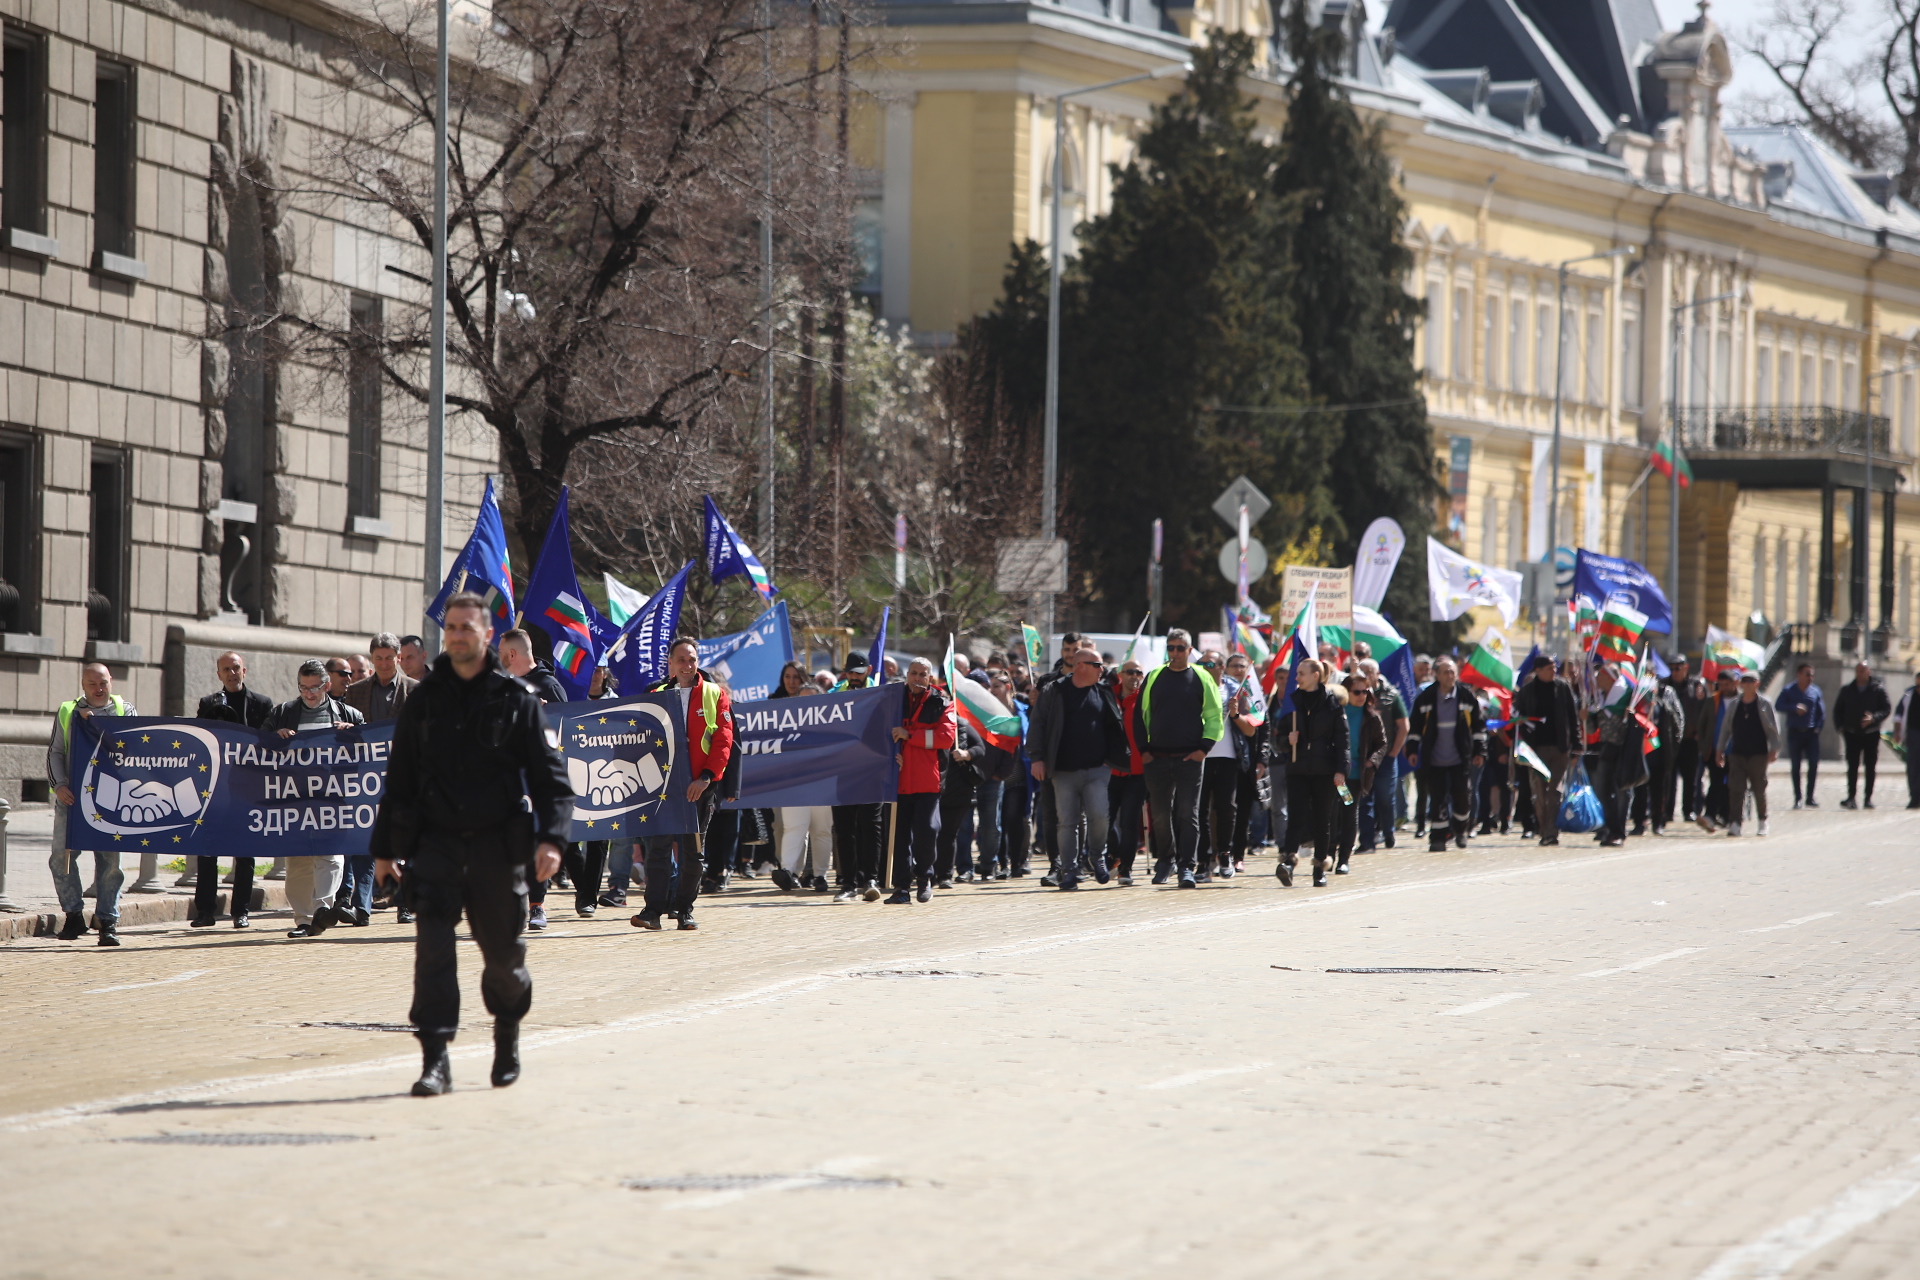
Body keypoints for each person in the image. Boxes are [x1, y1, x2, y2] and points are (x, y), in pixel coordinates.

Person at [371, 591, 572, 1096]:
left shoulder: (516, 699)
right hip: (437, 847)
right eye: (452, 628)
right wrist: (384, 849)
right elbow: (400, 780)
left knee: (503, 958)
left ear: (488, 635)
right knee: (433, 954)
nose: (458, 635)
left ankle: (507, 1033)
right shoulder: (425, 699)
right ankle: (435, 1059)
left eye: (468, 627)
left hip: (496, 849)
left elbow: (550, 779)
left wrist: (552, 840)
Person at [631, 636, 733, 929]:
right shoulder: (656, 693)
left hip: (699, 788)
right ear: (671, 664)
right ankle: (653, 911)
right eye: (681, 660)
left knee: (693, 853)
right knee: (659, 849)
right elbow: (641, 737)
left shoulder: (714, 694)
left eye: (692, 659)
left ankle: (684, 909)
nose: (687, 665)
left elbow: (724, 741)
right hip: (662, 788)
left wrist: (705, 779)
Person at [267, 660, 366, 937]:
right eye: (303, 688)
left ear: (327, 686)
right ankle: (303, 919)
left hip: (332, 795)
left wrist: (354, 734)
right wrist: (275, 736)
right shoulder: (284, 712)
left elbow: (371, 748)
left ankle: (323, 910)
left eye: (315, 688)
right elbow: (257, 743)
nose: (309, 693)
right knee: (298, 860)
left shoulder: (349, 714)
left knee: (330, 854)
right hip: (294, 795)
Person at [335, 631, 420, 925]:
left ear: (398, 658)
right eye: (378, 658)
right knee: (367, 837)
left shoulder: (415, 689)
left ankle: (405, 902)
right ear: (372, 659)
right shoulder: (356, 692)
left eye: (389, 658)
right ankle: (362, 904)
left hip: (405, 774)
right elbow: (345, 732)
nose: (384, 663)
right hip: (366, 777)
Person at [47, 664, 134, 946]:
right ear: (83, 685)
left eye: (103, 683)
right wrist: (59, 785)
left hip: (112, 799)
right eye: (92, 683)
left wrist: (94, 722)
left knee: (110, 863)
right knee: (62, 858)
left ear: (112, 682)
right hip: (72, 798)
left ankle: (107, 920)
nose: (99, 689)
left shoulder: (126, 711)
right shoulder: (67, 712)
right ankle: (73, 916)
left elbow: (133, 750)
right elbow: (55, 752)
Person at [1028, 647, 1127, 891]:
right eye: (1097, 665)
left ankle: (1097, 857)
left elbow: (1115, 725)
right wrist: (1037, 758)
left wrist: (1113, 758)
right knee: (1067, 822)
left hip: (1097, 769)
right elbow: (1038, 723)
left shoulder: (1103, 691)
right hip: (1062, 770)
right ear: (1081, 665)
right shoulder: (1055, 691)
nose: (1102, 670)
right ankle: (1069, 871)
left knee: (1099, 815)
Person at [1133, 629, 1222, 889]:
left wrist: (1203, 750)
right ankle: (1165, 861)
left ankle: (1187, 867)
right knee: (1159, 816)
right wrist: (1144, 750)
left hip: (1190, 759)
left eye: (1180, 648)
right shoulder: (1154, 677)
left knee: (1187, 813)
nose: (1174, 653)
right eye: (1170, 648)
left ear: (1190, 650)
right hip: (1156, 758)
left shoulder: (1202, 677)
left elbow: (1215, 716)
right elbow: (1139, 716)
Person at [191, 651, 272, 929]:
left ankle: (241, 911)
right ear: (219, 675)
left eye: (236, 667)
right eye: (226, 669)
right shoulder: (208, 703)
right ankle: (205, 911)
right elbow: (201, 740)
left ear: (244, 671)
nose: (232, 673)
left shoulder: (262, 704)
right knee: (207, 850)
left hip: (247, 787)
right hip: (215, 789)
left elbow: (267, 741)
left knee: (245, 853)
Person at [1276, 658, 1348, 887]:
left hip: (1324, 771)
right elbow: (1279, 739)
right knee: (1295, 816)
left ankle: (1319, 867)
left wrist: (1341, 770)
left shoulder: (1332, 704)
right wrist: (1287, 741)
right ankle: (1288, 862)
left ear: (1315, 675)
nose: (1296, 678)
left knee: (1321, 820)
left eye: (1301, 674)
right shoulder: (1292, 702)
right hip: (1297, 768)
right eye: (1296, 673)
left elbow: (1343, 741)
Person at [1407, 655, 1485, 853]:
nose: (1449, 676)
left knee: (1462, 797)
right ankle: (1438, 837)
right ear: (1437, 676)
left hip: (1460, 758)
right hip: (1434, 758)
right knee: (1438, 799)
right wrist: (1412, 750)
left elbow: (1478, 727)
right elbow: (1415, 726)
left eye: (1452, 672)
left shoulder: (1467, 698)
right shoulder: (1425, 698)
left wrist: (1479, 752)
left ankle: (1460, 830)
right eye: (1445, 672)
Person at [1199, 652, 1265, 880]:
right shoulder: (1192, 687)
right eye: (1200, 664)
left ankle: (1225, 854)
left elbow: (1251, 729)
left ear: (1220, 667)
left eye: (1209, 664)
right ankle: (1203, 859)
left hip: (1228, 759)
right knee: (1199, 811)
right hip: (1199, 758)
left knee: (1227, 809)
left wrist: (1236, 714)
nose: (1204, 668)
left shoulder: (1235, 690)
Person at [769, 661, 831, 892]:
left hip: (822, 783)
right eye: (801, 699)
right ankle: (787, 871)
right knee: (793, 827)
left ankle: (821, 875)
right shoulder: (784, 723)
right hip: (793, 783)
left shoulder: (829, 725)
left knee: (821, 830)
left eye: (810, 699)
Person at [829, 653, 886, 902]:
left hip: (872, 770)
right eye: (850, 673)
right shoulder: (834, 695)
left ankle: (870, 879)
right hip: (843, 770)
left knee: (870, 826)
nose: (854, 677)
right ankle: (848, 883)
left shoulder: (882, 695)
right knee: (844, 829)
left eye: (858, 673)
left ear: (869, 670)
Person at [1513, 654, 1581, 846]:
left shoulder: (1563, 688)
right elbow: (1517, 716)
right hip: (1535, 751)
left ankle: (1552, 832)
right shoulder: (1527, 691)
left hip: (1560, 749)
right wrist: (1519, 721)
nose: (1554, 671)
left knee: (1555, 793)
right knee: (1540, 795)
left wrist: (1576, 746)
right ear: (1538, 670)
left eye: (1555, 667)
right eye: (1550, 668)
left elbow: (1572, 718)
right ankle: (1544, 830)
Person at [1716, 669, 1780, 836]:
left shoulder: (1764, 704)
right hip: (1737, 753)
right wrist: (1720, 749)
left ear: (1757, 683)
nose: (1747, 684)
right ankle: (1735, 823)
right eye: (1744, 681)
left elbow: (1773, 729)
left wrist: (1774, 748)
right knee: (1736, 788)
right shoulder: (1735, 704)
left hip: (1758, 753)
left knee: (1759, 788)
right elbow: (1725, 729)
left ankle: (1762, 821)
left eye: (1751, 681)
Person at [1336, 672, 1386, 875]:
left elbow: (1382, 744)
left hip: (1354, 778)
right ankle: (1327, 853)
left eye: (1365, 691)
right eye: (1356, 692)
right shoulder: (1336, 712)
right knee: (1332, 814)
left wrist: (1371, 761)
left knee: (1349, 814)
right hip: (1336, 775)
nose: (1361, 695)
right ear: (1346, 692)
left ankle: (1343, 859)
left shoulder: (1372, 717)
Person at [1105, 658, 1149, 886]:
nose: (1135, 676)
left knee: (1130, 821)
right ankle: (1114, 855)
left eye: (1139, 673)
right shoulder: (1107, 696)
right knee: (1104, 819)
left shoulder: (1145, 700)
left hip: (1137, 771)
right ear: (1120, 674)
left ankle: (1126, 868)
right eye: (1130, 672)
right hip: (1110, 769)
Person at [1354, 658, 1405, 852]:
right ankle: (1367, 841)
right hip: (1363, 759)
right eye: (1362, 672)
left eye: (1369, 672)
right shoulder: (1356, 695)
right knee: (1364, 799)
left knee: (1385, 798)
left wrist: (1393, 753)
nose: (1366, 675)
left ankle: (1388, 831)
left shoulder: (1391, 695)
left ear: (1377, 673)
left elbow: (1403, 725)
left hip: (1385, 758)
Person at [1834, 661, 1891, 809]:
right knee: (1852, 766)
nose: (1860, 673)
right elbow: (1838, 710)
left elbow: (1886, 709)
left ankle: (1868, 798)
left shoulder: (1877, 689)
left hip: (1871, 734)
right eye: (1858, 670)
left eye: (1863, 670)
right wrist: (1840, 727)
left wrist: (1874, 718)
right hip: (1852, 733)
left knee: (1870, 766)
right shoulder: (1847, 689)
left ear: (1869, 672)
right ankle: (1851, 797)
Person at [1772, 662, 1825, 809]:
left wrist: (1818, 728)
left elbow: (1822, 713)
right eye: (1807, 674)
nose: (1810, 678)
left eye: (1812, 675)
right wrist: (1794, 708)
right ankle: (1798, 798)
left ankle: (1810, 797)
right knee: (1796, 766)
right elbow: (1778, 705)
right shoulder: (1789, 690)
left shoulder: (1815, 691)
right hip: (1795, 732)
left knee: (1813, 765)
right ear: (1799, 675)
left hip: (1811, 734)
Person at [1694, 670, 1739, 832]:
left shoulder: (1742, 700)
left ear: (1735, 683)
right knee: (1716, 782)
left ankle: (1728, 816)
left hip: (1736, 751)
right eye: (1721, 685)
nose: (1724, 688)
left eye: (1727, 684)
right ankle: (1710, 815)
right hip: (1715, 750)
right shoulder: (1712, 701)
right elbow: (1702, 724)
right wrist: (1704, 747)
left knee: (1732, 785)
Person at [1892, 669, 1920, 808]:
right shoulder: (1909, 695)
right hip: (1913, 734)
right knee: (1913, 767)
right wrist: (1897, 732)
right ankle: (1914, 797)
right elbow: (1898, 715)